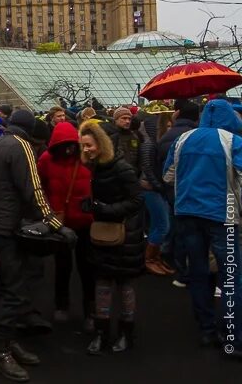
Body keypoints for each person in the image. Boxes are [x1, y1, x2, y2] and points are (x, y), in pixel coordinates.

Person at [0, 109, 76, 382]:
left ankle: (9, 342)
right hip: (11, 226)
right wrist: (55, 224)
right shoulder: (21, 146)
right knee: (14, 289)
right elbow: (34, 190)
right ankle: (1, 351)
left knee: (8, 286)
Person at [163, 99, 242, 358]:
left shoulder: (183, 139)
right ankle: (233, 337)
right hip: (223, 214)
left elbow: (168, 175)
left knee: (198, 272)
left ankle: (206, 330)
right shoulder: (233, 141)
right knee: (231, 276)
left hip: (187, 212)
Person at [78, 121, 144, 355]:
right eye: (83, 145)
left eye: (89, 145)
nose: (86, 150)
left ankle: (126, 333)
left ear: (102, 143)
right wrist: (92, 205)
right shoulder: (96, 167)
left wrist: (106, 209)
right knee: (102, 283)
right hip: (104, 233)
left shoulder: (122, 168)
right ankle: (102, 332)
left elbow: (137, 200)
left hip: (125, 234)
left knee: (124, 285)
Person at [37, 122, 94, 330]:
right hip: (61, 223)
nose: (68, 149)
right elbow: (40, 186)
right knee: (63, 267)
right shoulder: (47, 160)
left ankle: (89, 310)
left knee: (87, 268)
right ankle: (62, 305)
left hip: (85, 222)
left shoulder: (86, 157)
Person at [156, 99, 199, 286]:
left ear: (177, 113)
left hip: (174, 191)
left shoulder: (168, 136)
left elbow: (165, 171)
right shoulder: (197, 136)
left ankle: (181, 271)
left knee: (178, 230)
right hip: (196, 192)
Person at [138, 117, 173, 276]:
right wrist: (159, 186)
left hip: (154, 188)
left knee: (158, 224)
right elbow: (147, 168)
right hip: (151, 188)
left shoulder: (154, 143)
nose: (169, 129)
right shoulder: (149, 144)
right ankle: (150, 259)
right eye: (167, 125)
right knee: (163, 225)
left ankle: (155, 257)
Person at [102, 107, 141, 173]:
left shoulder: (134, 137)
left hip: (132, 173)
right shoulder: (109, 136)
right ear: (116, 120)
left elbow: (139, 158)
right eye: (124, 118)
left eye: (129, 119)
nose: (127, 121)